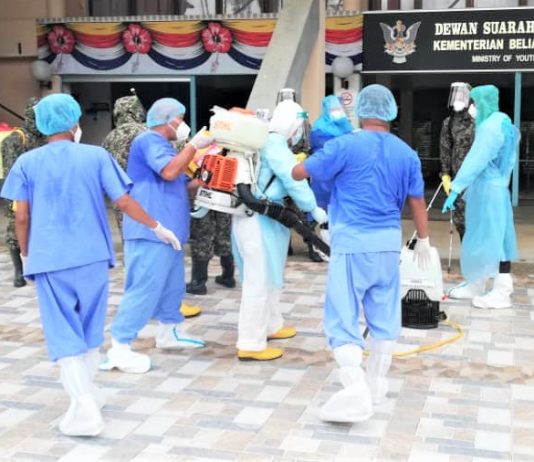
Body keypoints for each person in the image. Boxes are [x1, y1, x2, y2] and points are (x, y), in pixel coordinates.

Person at [0, 93, 180, 437]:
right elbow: (123, 202)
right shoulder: (96, 156)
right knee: (89, 329)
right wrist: (157, 226)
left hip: (50, 259)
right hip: (92, 255)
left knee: (62, 331)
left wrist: (25, 255)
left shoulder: (27, 162)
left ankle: (84, 407)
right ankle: (88, 394)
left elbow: (22, 217)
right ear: (74, 123)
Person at [292, 84, 430, 423]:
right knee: (384, 315)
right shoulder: (406, 153)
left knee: (343, 315)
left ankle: (354, 389)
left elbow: (299, 173)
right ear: (391, 112)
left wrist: (309, 154)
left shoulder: (344, 145)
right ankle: (376, 384)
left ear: (361, 111)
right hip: (388, 245)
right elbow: (416, 201)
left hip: (353, 243)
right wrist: (425, 240)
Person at [102, 98, 213, 374]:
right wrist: (193, 146)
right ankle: (120, 346)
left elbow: (179, 183)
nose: (183, 124)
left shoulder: (164, 146)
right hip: (150, 231)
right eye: (181, 119)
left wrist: (202, 181)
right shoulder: (148, 140)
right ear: (168, 120)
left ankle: (169, 332)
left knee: (171, 287)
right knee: (144, 288)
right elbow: (169, 171)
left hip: (170, 233)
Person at [232, 99, 327, 361]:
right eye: (297, 127)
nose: (298, 133)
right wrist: (312, 208)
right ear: (291, 125)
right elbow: (292, 178)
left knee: (269, 277)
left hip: (258, 219)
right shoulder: (273, 143)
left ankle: (272, 325)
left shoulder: (262, 140)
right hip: (259, 220)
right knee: (259, 281)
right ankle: (250, 343)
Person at [442, 84, 519, 309]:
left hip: (487, 191)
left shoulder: (489, 128)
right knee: (487, 238)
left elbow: (475, 160)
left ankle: (502, 292)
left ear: (483, 103)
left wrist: (455, 188)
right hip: (495, 189)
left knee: (493, 240)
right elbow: (507, 162)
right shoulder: (503, 122)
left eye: (474, 103)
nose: (471, 107)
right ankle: (476, 283)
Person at [1, 97, 46, 287]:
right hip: (19, 193)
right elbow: (13, 171)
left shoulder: (46, 137)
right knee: (15, 230)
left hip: (42, 191)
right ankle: (19, 271)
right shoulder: (16, 138)